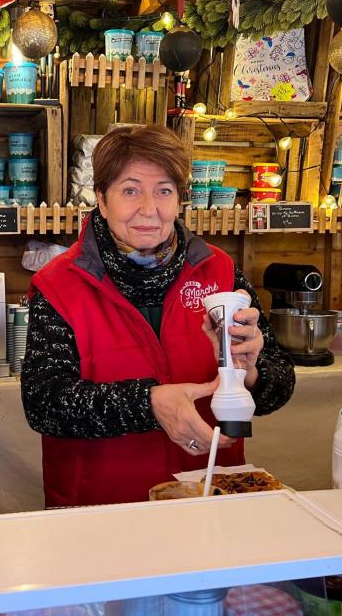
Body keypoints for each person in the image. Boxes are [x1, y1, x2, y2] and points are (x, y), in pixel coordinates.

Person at [21, 125, 295, 508]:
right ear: (101, 199)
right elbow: (44, 404)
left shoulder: (220, 273)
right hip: (100, 509)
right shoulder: (59, 286)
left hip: (208, 497)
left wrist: (251, 371)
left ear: (180, 200)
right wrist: (148, 403)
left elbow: (279, 383)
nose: (149, 209)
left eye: (163, 191)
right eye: (130, 190)